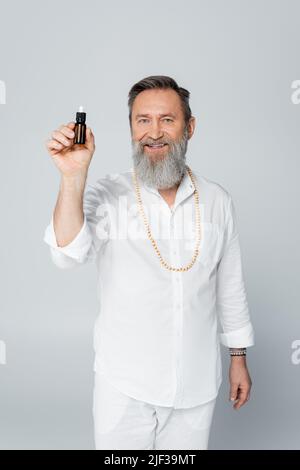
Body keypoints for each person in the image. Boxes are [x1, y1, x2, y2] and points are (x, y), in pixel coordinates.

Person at [43, 75, 255, 450]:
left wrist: (238, 356)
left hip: (196, 383)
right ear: (130, 129)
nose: (153, 132)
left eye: (166, 119)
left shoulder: (218, 200)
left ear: (189, 127)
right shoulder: (107, 194)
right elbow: (66, 254)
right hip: (124, 383)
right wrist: (73, 178)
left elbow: (230, 286)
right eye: (142, 120)